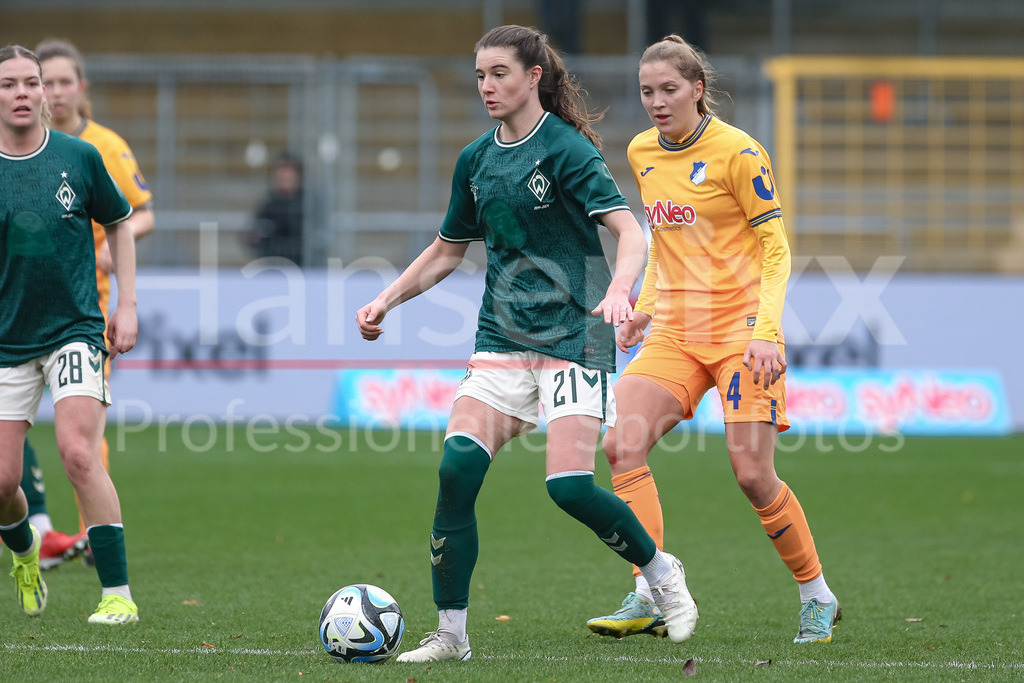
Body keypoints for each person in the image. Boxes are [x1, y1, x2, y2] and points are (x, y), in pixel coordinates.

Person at [356, 24, 698, 662]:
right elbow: (448, 250)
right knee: (457, 469)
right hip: (503, 335)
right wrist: (387, 299)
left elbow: (631, 232)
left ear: (533, 76)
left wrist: (619, 290)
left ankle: (661, 571)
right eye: (480, 76)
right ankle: (451, 635)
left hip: (575, 332)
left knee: (568, 487)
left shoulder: (566, 149)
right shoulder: (475, 160)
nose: (487, 86)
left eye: (499, 74)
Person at [584, 35, 840, 644]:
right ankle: (650, 592)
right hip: (676, 330)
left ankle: (817, 595)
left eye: (669, 89)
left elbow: (775, 248)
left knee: (752, 474)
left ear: (698, 89)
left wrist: (768, 331)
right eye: (647, 91)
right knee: (621, 443)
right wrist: (645, 308)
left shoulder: (740, 153)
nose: (657, 102)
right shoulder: (642, 151)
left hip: (741, 332)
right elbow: (663, 241)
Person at [0, 44, 140, 624]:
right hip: (7, 341)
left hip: (75, 329)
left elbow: (121, 221)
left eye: (30, 83)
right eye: (9, 84)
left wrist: (126, 304)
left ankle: (117, 594)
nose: (23, 93)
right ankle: (25, 552)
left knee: (79, 453)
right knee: (3, 482)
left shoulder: (79, 156)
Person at [246, 152, 304, 265]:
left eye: (289, 170)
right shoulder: (267, 206)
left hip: (305, 268)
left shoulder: (308, 206)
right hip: (273, 268)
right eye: (281, 170)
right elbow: (255, 240)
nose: (284, 175)